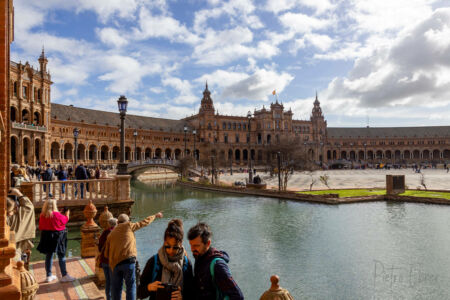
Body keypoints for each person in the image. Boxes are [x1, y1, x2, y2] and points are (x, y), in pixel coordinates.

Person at [104, 212, 163, 300]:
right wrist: (154, 216)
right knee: (131, 286)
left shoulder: (111, 234)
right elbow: (144, 222)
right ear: (127, 221)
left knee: (116, 288)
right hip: (128, 261)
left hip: (115, 264)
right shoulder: (129, 225)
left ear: (118, 222)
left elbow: (106, 253)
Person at [138, 219, 194, 300]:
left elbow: (191, 293)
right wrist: (149, 287)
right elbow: (139, 292)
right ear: (164, 242)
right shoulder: (153, 262)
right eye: (168, 246)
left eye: (175, 247)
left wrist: (182, 297)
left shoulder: (186, 264)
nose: (171, 251)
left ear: (181, 244)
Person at [187, 223, 243, 300]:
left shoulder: (217, 266)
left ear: (208, 243)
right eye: (191, 245)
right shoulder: (200, 257)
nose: (192, 249)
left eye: (196, 245)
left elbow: (237, 296)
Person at [37, 199, 75, 283]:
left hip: (46, 236)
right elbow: (65, 220)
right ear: (54, 206)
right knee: (61, 255)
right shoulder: (57, 214)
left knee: (49, 255)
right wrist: (67, 214)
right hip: (58, 236)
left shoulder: (42, 215)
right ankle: (64, 275)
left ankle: (49, 275)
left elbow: (41, 226)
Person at [6, 188, 36, 264]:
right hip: (15, 252)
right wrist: (18, 193)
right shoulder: (18, 217)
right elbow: (29, 207)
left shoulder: (7, 218)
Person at [98, 217, 118, 300]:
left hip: (104, 260)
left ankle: (108, 298)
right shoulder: (116, 233)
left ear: (109, 224)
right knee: (114, 282)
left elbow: (100, 246)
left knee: (108, 281)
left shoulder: (105, 232)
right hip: (112, 261)